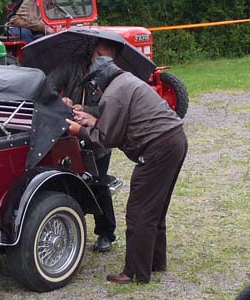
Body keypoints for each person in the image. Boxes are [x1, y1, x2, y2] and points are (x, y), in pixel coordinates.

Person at [67, 45, 187, 284]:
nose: (95, 89)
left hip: (157, 148)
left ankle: (134, 272)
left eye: (94, 85)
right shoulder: (127, 81)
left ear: (100, 79)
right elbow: (120, 122)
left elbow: (105, 139)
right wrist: (94, 120)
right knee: (155, 208)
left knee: (139, 210)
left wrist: (78, 129)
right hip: (175, 140)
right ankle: (155, 261)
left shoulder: (112, 93)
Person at [47, 49, 117, 253]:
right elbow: (48, 86)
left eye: (106, 53)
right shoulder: (72, 65)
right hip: (68, 134)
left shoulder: (113, 74)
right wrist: (62, 100)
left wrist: (84, 109)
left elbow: (109, 110)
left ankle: (106, 232)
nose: (100, 57)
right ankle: (65, 227)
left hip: (98, 138)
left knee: (98, 183)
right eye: (98, 52)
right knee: (62, 181)